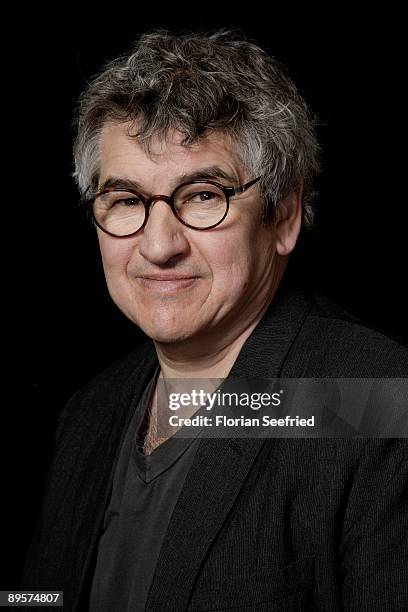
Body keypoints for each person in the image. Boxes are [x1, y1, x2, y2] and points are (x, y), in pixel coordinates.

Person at [21, 30, 407, 611]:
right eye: (126, 200)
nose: (158, 246)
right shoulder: (89, 413)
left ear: (284, 217)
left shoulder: (375, 400)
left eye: (202, 195)